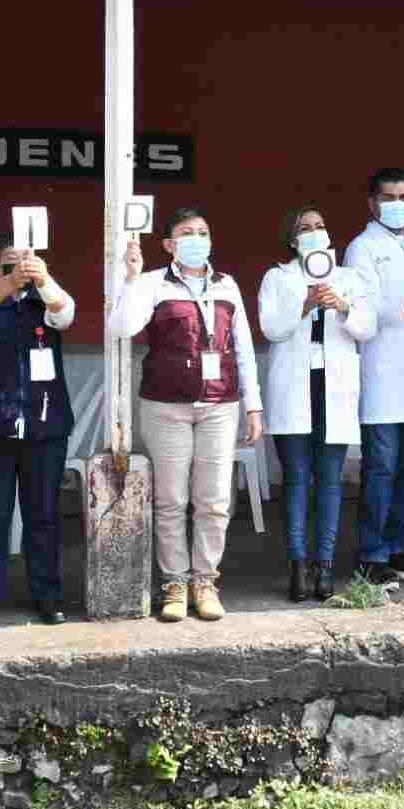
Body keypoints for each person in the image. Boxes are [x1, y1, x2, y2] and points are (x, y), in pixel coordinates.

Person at [108, 207, 264, 623]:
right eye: (186, 232)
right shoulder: (152, 283)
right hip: (166, 406)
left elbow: (243, 350)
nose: (197, 237)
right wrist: (130, 278)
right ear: (168, 244)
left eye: (203, 231)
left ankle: (205, 581)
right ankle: (174, 583)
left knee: (213, 500)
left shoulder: (227, 286)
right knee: (172, 500)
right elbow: (123, 326)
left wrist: (254, 404)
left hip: (220, 405)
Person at [258, 204, 376, 602]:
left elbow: (367, 327)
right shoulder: (278, 277)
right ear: (293, 240)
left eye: (320, 225)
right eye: (304, 228)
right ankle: (297, 564)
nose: (313, 231)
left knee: (329, 481)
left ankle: (324, 565)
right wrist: (304, 305)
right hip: (293, 387)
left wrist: (342, 306)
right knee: (296, 480)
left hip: (335, 387)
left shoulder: (348, 277)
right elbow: (272, 328)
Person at [0, 243, 75, 628]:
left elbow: (66, 312)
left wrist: (42, 279)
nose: (20, 270)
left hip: (45, 427)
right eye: (10, 263)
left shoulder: (46, 301)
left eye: (27, 262)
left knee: (43, 517)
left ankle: (48, 597)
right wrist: (11, 280)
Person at [344, 168, 404, 586]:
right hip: (382, 373)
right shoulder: (362, 249)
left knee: (403, 468)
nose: (399, 203)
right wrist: (400, 307)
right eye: (389, 197)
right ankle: (371, 554)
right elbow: (360, 309)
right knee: (380, 467)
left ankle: (396, 547)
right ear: (372, 203)